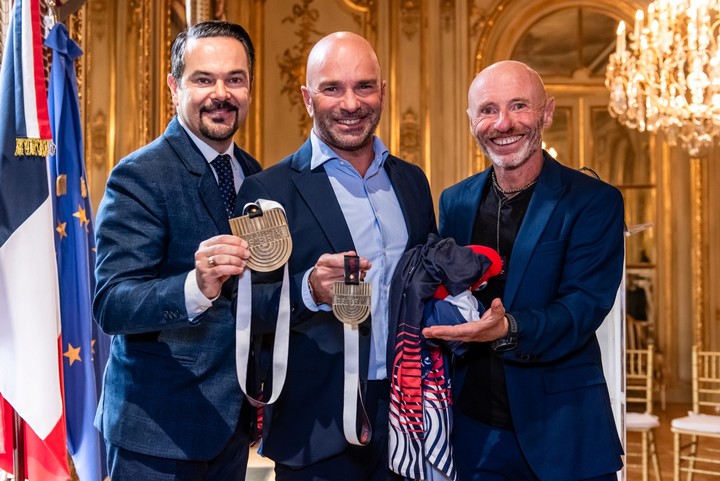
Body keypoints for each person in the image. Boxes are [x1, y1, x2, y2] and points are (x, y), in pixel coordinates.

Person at [236, 32, 436, 480]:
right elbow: (248, 310)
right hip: (316, 431)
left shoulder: (412, 183)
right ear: (307, 98)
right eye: (332, 88)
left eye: (364, 86)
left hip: (412, 418)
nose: (351, 103)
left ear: (382, 92)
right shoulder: (267, 191)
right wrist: (308, 290)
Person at [422, 60, 625, 481]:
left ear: (547, 113)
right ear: (471, 120)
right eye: (488, 110)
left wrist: (508, 327)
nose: (503, 123)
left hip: (563, 430)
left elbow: (582, 307)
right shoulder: (454, 201)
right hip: (472, 429)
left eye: (519, 106)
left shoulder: (593, 201)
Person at [93, 21, 262, 480]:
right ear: (174, 87)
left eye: (235, 78)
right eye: (203, 79)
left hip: (231, 428)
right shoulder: (141, 175)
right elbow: (112, 304)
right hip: (156, 432)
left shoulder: (255, 174)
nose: (221, 93)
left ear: (250, 86)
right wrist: (196, 285)